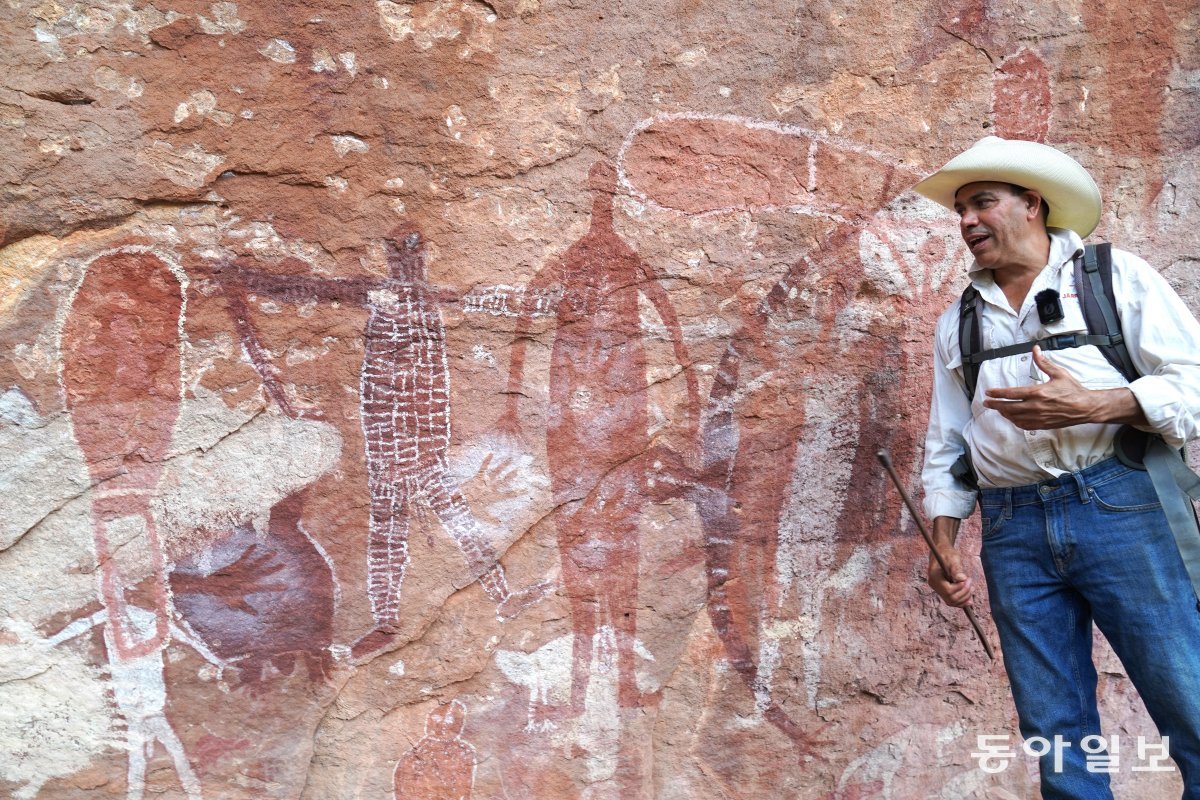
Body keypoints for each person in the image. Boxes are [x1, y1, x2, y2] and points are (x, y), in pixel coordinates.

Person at [914, 136, 1200, 798]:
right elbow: (947, 438)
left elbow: (1193, 385)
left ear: (1032, 206)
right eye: (959, 210)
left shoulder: (1110, 278)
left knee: (1188, 698)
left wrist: (1098, 401)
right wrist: (944, 537)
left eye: (982, 203)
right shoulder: (958, 320)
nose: (966, 223)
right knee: (1054, 731)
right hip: (1012, 530)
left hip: (1121, 506)